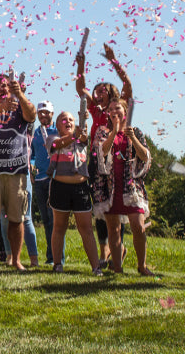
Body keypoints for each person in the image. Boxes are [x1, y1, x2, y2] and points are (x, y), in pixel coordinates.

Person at [75, 43, 132, 268]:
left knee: (118, 205)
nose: (97, 94)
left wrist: (114, 60)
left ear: (112, 94)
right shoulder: (95, 111)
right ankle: (105, 249)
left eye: (102, 91)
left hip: (119, 161)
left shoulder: (120, 108)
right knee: (100, 206)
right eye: (96, 91)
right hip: (96, 162)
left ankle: (116, 247)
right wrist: (81, 64)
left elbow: (127, 84)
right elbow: (81, 89)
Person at [0, 73, 37, 271]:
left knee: (16, 217)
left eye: (4, 86)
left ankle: (17, 259)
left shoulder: (20, 105)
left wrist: (19, 96)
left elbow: (32, 115)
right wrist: (1, 107)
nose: (0, 89)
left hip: (16, 170)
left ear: (11, 87)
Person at [92, 99, 153, 275]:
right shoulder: (103, 132)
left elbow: (145, 157)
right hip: (110, 187)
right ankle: (117, 267)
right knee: (113, 229)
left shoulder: (136, 132)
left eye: (117, 108)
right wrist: (114, 132)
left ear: (124, 110)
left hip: (130, 188)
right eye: (110, 109)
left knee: (138, 226)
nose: (113, 111)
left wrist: (132, 137)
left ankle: (142, 266)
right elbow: (101, 153)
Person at [48, 111, 102, 274]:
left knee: (86, 228)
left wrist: (84, 120)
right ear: (57, 125)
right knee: (59, 227)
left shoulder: (81, 139)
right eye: (63, 119)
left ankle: (96, 267)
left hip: (81, 189)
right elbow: (57, 145)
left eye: (71, 119)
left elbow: (84, 137)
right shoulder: (52, 138)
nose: (68, 121)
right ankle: (57, 264)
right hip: (60, 187)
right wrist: (73, 136)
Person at [30, 101, 62, 266]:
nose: (43, 115)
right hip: (39, 180)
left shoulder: (58, 131)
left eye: (46, 112)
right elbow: (33, 155)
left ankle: (58, 258)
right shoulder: (35, 133)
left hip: (54, 179)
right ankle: (51, 257)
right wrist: (32, 165)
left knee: (55, 219)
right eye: (40, 112)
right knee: (46, 220)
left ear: (52, 113)